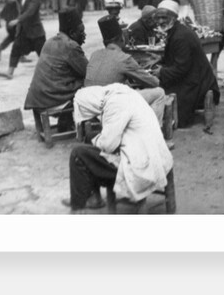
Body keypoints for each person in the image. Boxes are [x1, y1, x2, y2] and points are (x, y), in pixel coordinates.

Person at [63, 84, 173, 212]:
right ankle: (93, 196)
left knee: (78, 153)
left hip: (142, 165)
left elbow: (107, 146)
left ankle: (77, 207)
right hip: (153, 152)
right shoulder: (121, 93)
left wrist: (97, 140)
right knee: (90, 139)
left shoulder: (115, 104)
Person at [150, 0, 219, 128]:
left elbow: (181, 68)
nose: (160, 21)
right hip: (191, 75)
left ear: (174, 17)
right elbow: (176, 58)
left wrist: (161, 71)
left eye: (164, 18)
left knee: (160, 96)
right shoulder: (175, 31)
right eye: (158, 18)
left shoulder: (180, 36)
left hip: (196, 81)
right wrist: (159, 60)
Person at [85, 16, 168, 123]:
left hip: (91, 103)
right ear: (121, 39)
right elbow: (153, 83)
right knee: (159, 93)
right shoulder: (124, 58)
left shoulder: (94, 55)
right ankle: (150, 133)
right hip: (112, 106)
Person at [24, 8, 88, 125]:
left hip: (36, 99)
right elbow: (88, 72)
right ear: (72, 33)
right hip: (50, 99)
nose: (84, 35)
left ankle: (66, 121)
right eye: (81, 32)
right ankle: (69, 121)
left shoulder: (49, 42)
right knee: (89, 85)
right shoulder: (70, 45)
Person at [0, 0, 46, 79]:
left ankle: (52, 74)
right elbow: (13, 0)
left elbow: (29, 12)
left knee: (44, 55)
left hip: (36, 32)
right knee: (15, 49)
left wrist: (17, 20)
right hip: (24, 31)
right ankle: (10, 72)